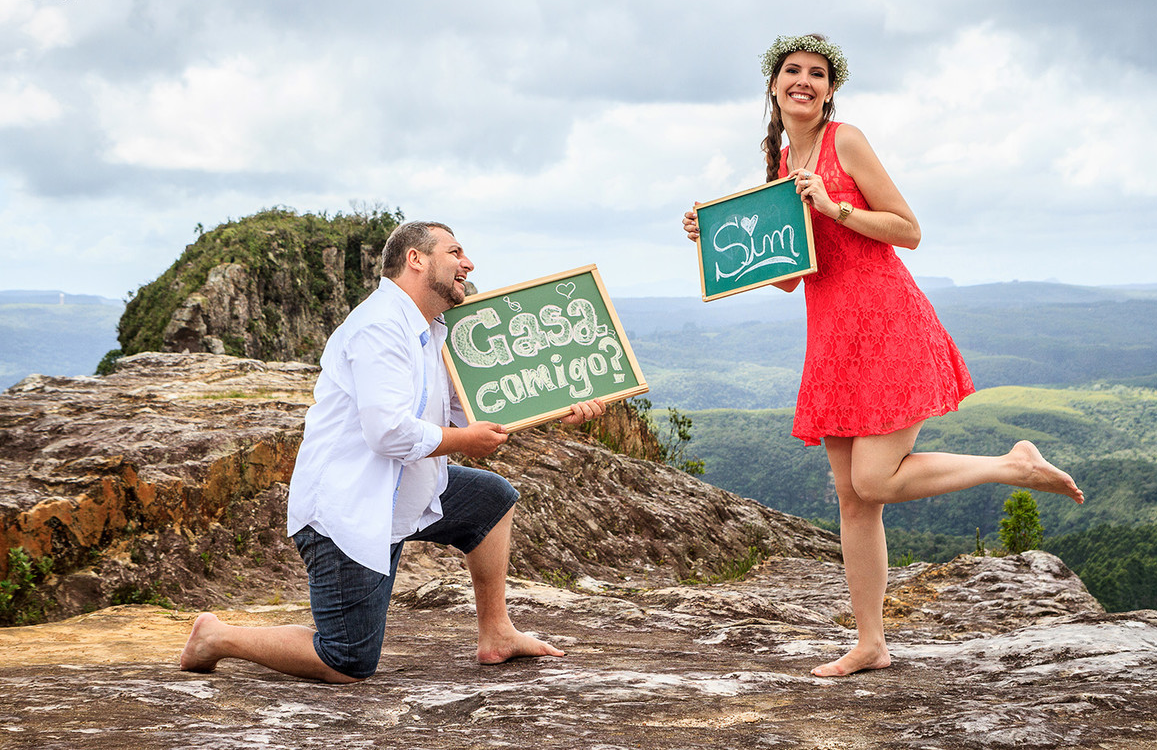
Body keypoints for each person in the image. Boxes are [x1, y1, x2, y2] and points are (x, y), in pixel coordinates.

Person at [682, 34, 1084, 678]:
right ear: (774, 85)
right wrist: (712, 239)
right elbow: (787, 275)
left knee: (873, 478)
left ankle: (1011, 466)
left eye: (817, 73)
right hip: (834, 337)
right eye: (793, 71)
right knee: (852, 498)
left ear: (830, 89)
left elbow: (909, 229)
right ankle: (870, 641)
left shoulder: (846, 141)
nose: (804, 81)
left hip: (886, 320)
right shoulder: (784, 160)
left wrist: (835, 206)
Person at [181, 221, 606, 683]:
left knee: (491, 499)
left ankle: (497, 634)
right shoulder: (380, 325)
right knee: (345, 661)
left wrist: (554, 406)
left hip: (403, 493)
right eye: (455, 252)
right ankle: (216, 637)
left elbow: (467, 412)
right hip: (349, 509)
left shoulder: (432, 330)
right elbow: (388, 433)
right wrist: (463, 443)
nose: (469, 263)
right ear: (416, 259)